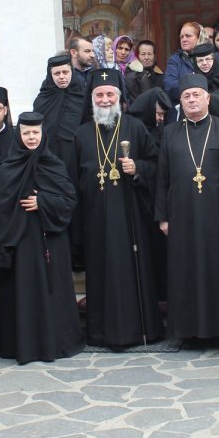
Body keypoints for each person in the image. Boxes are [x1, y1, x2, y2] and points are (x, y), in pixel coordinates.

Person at [156, 75, 219, 352]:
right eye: (187, 96)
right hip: (181, 214)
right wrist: (162, 217)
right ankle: (187, 331)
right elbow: (162, 178)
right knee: (184, 271)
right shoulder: (171, 133)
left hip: (218, 215)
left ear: (208, 98)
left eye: (197, 95)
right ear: (180, 102)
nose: (192, 100)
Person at [72, 70, 163, 349]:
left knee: (131, 270)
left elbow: (156, 164)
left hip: (129, 215)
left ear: (119, 98)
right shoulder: (81, 134)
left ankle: (138, 331)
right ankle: (100, 333)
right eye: (99, 95)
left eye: (109, 94)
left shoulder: (135, 127)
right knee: (100, 273)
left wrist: (138, 169)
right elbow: (73, 178)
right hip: (95, 217)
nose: (104, 99)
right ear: (91, 100)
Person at [0, 112, 83, 364]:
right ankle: (27, 345)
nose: (31, 137)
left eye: (35, 132)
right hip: (21, 241)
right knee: (24, 290)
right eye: (26, 133)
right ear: (19, 136)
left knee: (54, 292)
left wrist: (42, 201)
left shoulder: (54, 164)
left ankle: (57, 342)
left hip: (51, 238)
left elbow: (69, 201)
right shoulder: (7, 167)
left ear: (43, 134)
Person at [32, 54, 85, 164]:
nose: (61, 77)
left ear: (72, 72)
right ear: (50, 76)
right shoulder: (42, 101)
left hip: (77, 154)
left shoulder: (82, 97)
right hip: (49, 156)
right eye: (57, 73)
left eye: (65, 72)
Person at [164, 22, 219, 104]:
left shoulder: (217, 57)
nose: (184, 39)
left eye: (188, 36)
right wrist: (195, 82)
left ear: (199, 37)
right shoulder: (175, 60)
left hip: (217, 104)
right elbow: (170, 87)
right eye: (181, 37)